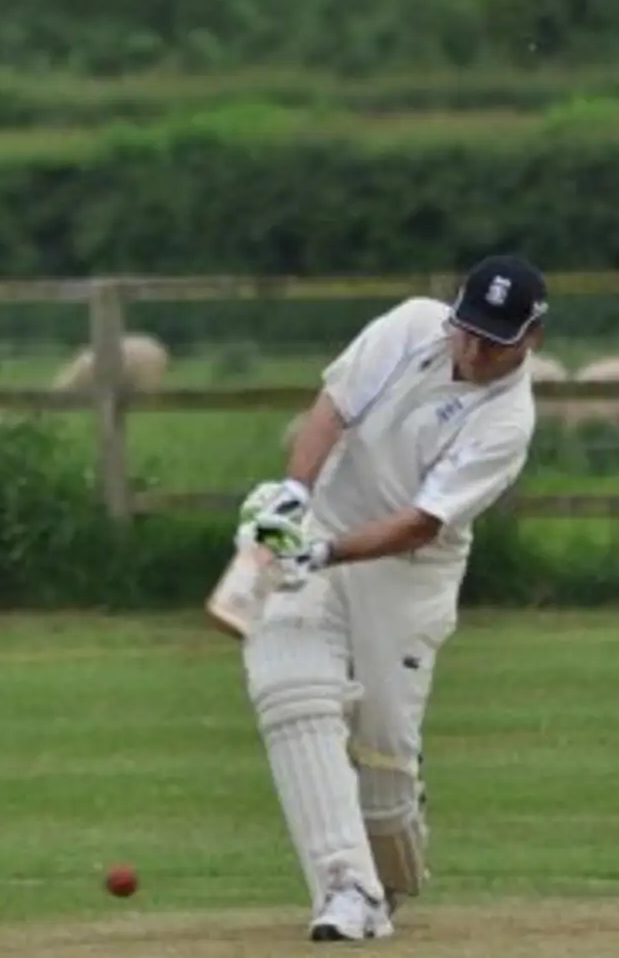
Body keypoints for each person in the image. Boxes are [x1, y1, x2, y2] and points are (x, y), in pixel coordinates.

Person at [235, 253, 548, 942]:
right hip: (328, 526)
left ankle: (391, 879)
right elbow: (333, 407)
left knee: (380, 756)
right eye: (468, 329)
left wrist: (322, 553)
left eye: (494, 340)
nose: (473, 348)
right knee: (289, 687)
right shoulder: (413, 324)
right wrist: (295, 497)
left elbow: (420, 521)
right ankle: (346, 887)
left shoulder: (507, 422)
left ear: (532, 339)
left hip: (406, 575)